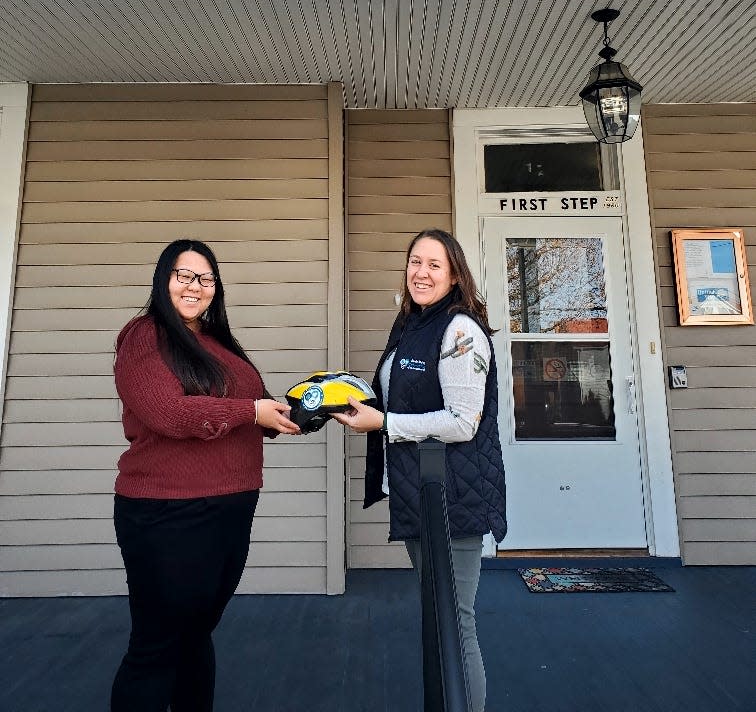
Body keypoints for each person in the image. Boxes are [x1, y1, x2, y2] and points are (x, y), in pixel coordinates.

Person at [110, 238, 300, 712]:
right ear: (163, 280)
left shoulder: (218, 345)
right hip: (168, 514)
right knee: (157, 646)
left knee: (195, 636)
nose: (195, 285)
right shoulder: (143, 335)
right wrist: (250, 411)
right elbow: (168, 413)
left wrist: (299, 408)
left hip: (229, 512)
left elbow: (244, 412)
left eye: (206, 278)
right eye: (184, 275)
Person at [334, 229, 507, 712]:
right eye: (415, 262)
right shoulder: (412, 325)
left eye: (434, 264)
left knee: (455, 621)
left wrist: (383, 423)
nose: (421, 273)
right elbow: (405, 396)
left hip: (453, 498)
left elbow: (462, 422)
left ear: (454, 275)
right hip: (420, 493)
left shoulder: (459, 331)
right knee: (438, 617)